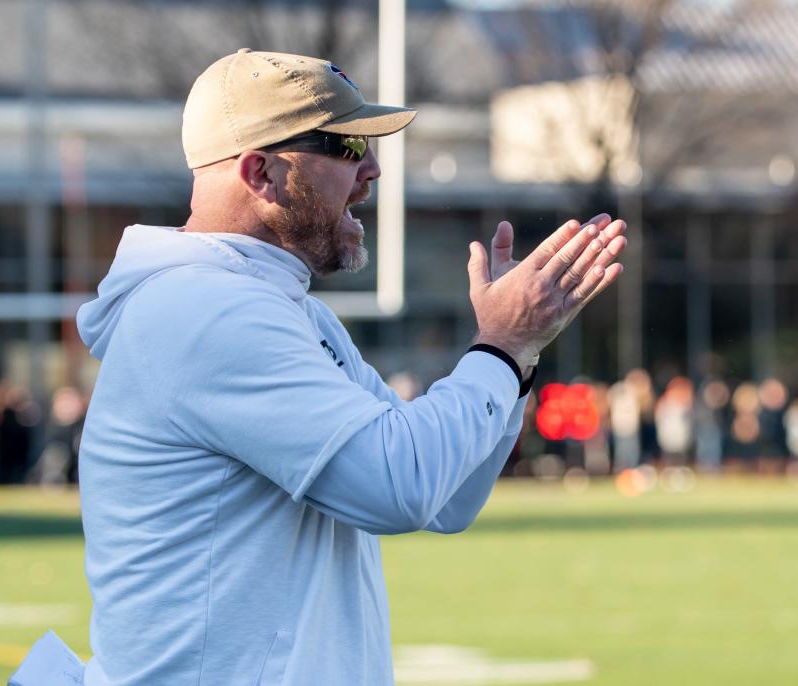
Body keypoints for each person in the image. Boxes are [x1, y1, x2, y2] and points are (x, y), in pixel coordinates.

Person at [71, 50, 626, 685]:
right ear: (261, 173)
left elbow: (446, 496)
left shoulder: (277, 310)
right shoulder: (204, 309)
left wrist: (518, 353)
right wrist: (500, 343)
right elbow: (402, 488)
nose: (373, 170)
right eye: (346, 145)